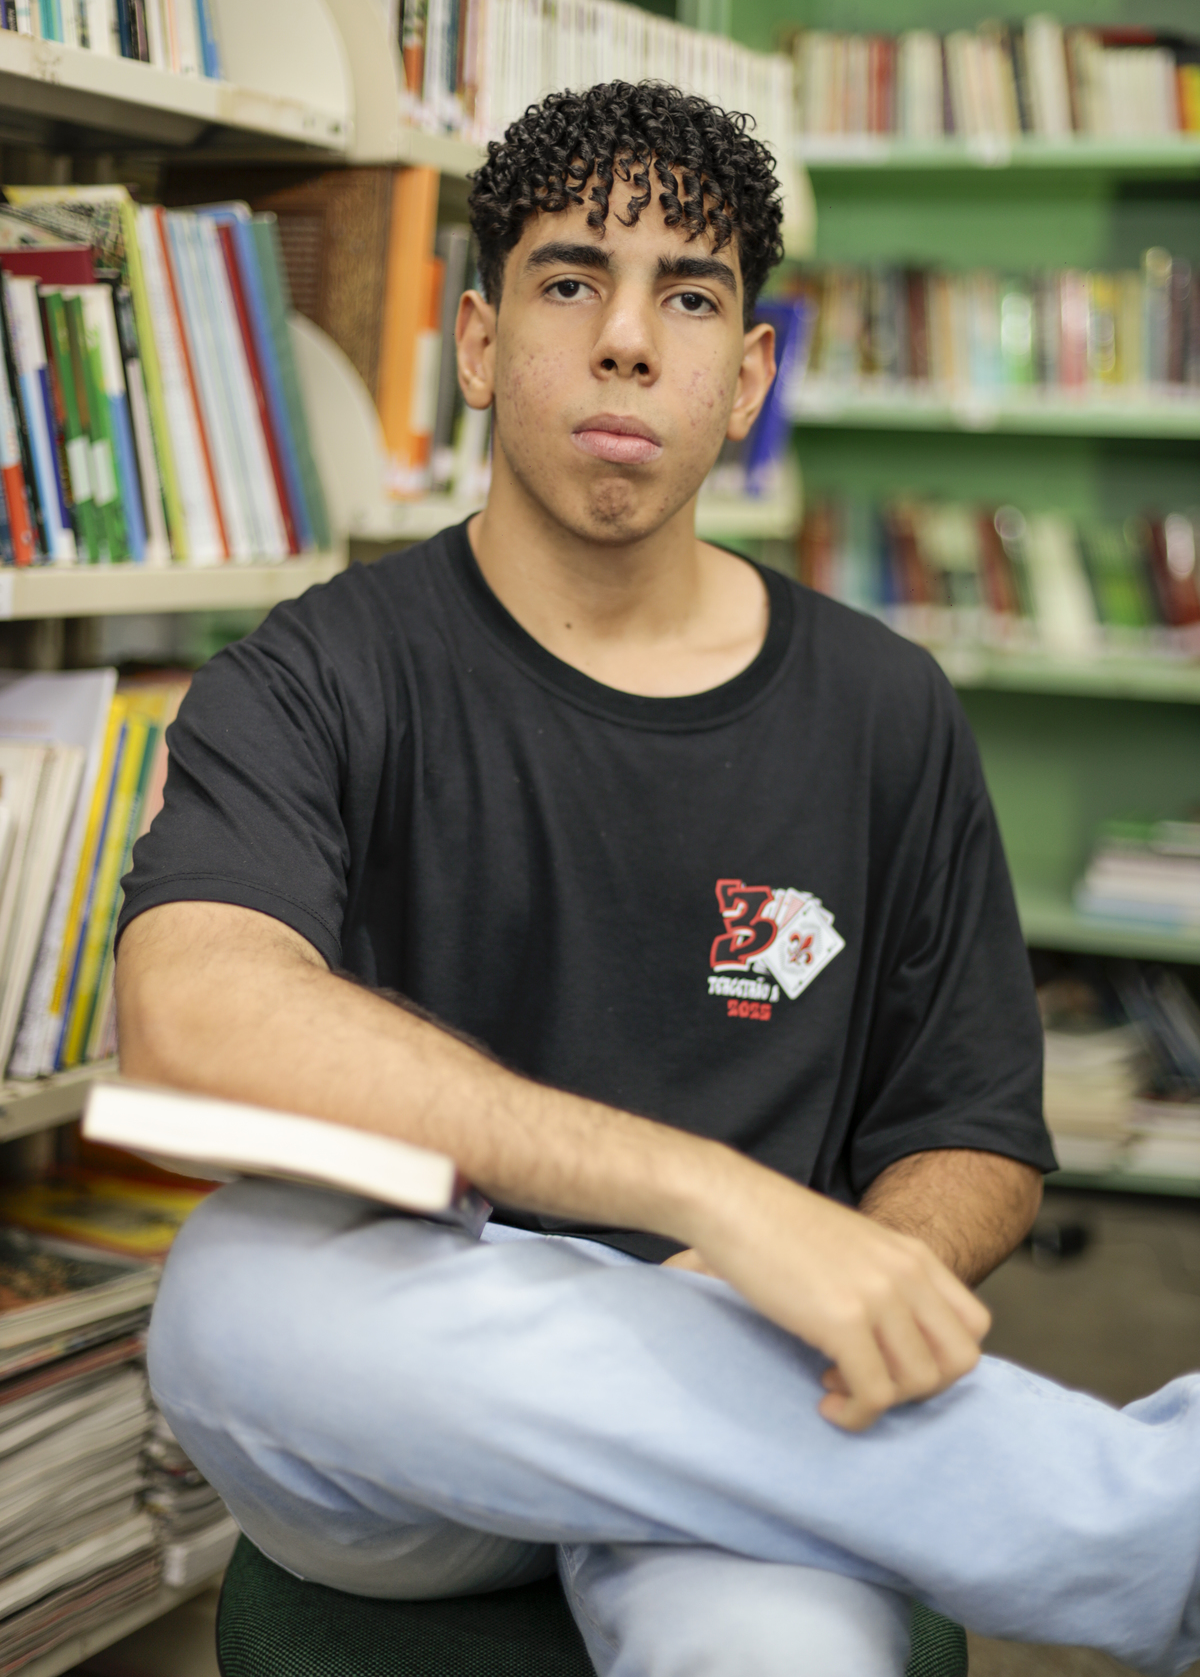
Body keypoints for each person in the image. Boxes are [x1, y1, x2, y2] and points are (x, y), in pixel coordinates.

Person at [116, 83, 1200, 1677]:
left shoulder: (887, 708)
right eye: (571, 282)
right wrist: (724, 1206)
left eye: (688, 298)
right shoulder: (312, 674)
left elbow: (969, 1133)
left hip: (756, 1407)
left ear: (748, 375)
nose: (626, 341)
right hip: (423, 1409)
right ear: (480, 341)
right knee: (232, 1298)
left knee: (787, 1656)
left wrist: (845, 1276)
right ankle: (1163, 1525)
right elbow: (192, 1011)